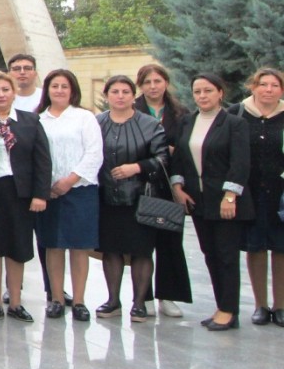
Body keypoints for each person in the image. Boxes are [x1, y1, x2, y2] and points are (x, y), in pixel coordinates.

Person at [171, 73, 252, 331]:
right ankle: (222, 306)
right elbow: (180, 158)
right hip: (198, 201)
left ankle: (229, 310)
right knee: (210, 255)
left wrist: (231, 196)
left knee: (226, 256)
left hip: (226, 201)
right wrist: (177, 187)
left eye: (208, 91)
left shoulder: (233, 124)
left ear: (220, 93)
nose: (202, 96)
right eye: (197, 92)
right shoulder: (187, 122)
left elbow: (240, 163)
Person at [0, 71, 51, 323]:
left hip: (21, 194)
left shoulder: (30, 121)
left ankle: (15, 301)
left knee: (18, 247)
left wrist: (40, 194)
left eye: (5, 89)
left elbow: (42, 161)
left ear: (14, 92)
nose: (1, 94)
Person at [95, 75, 170, 321]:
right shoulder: (96, 123)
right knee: (111, 251)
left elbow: (163, 159)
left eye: (125, 91)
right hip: (106, 197)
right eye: (114, 91)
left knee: (141, 251)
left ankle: (139, 303)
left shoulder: (150, 124)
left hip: (141, 197)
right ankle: (112, 300)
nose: (120, 96)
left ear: (133, 95)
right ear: (107, 95)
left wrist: (136, 167)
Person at [34, 70, 102, 321]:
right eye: (55, 86)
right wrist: (48, 185)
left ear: (72, 90)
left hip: (80, 190)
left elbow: (94, 153)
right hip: (48, 192)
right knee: (53, 245)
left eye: (65, 86)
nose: (60, 90)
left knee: (79, 246)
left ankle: (80, 300)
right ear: (47, 90)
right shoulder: (38, 119)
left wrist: (71, 179)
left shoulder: (84, 117)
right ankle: (56, 298)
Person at [134, 62, 190, 318]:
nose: (153, 86)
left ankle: (168, 296)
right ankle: (141, 296)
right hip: (139, 184)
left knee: (169, 242)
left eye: (157, 81)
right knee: (142, 243)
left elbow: (186, 147)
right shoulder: (132, 109)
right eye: (147, 82)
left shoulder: (180, 113)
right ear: (141, 86)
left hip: (168, 185)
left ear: (166, 83)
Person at [229, 67, 284, 326]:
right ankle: (261, 305)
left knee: (281, 248)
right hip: (249, 192)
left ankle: (281, 305)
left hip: (281, 195)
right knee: (256, 247)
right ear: (254, 87)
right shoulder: (238, 114)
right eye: (263, 84)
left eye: (274, 85)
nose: (269, 90)